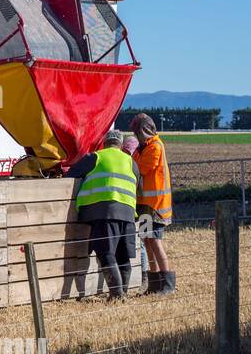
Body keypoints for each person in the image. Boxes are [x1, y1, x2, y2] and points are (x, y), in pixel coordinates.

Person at [65, 129, 142, 298]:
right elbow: (139, 185)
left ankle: (116, 294)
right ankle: (123, 294)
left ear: (105, 143)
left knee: (106, 253)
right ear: (120, 145)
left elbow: (70, 175)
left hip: (104, 212)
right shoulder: (131, 162)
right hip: (128, 213)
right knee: (123, 256)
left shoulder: (96, 157)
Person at [129, 113, 174, 294]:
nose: (135, 137)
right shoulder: (144, 148)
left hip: (156, 206)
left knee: (155, 241)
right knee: (147, 241)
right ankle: (154, 284)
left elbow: (141, 169)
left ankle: (167, 284)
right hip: (145, 205)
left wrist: (135, 157)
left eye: (137, 133)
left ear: (143, 131)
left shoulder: (155, 147)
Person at [120, 132, 151, 280]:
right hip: (139, 207)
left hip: (143, 208)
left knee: (144, 241)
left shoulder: (134, 165)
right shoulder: (136, 163)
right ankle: (144, 275)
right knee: (142, 241)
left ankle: (144, 275)